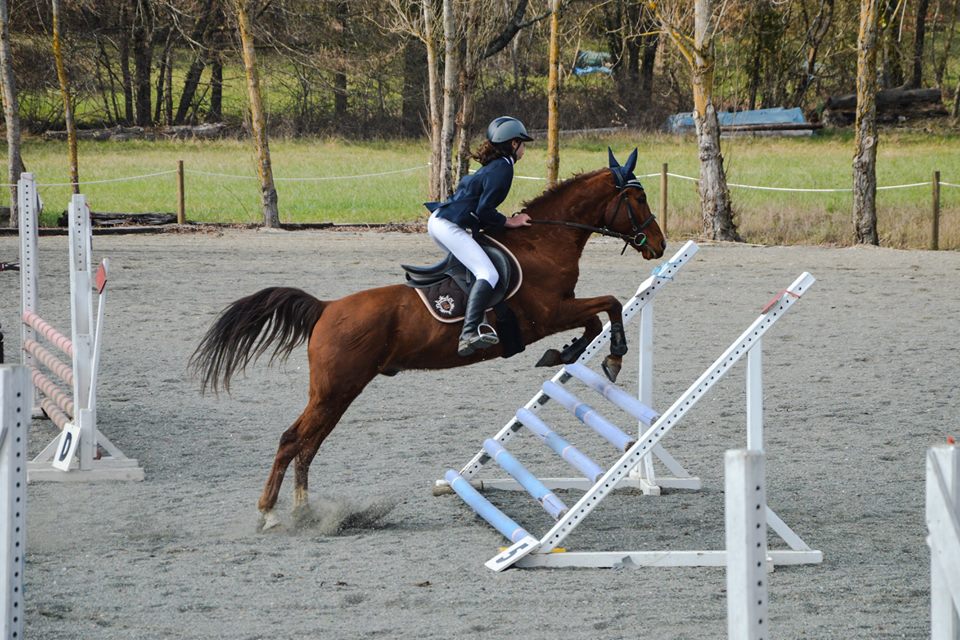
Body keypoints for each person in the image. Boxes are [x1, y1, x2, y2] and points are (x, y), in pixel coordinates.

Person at [425, 116, 533, 357]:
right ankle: (468, 333)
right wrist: (509, 221)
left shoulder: (496, 165)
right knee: (488, 273)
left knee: (477, 268)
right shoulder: (504, 167)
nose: (525, 147)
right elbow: (484, 210)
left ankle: (476, 316)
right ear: (514, 143)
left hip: (442, 220)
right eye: (523, 142)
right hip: (449, 225)